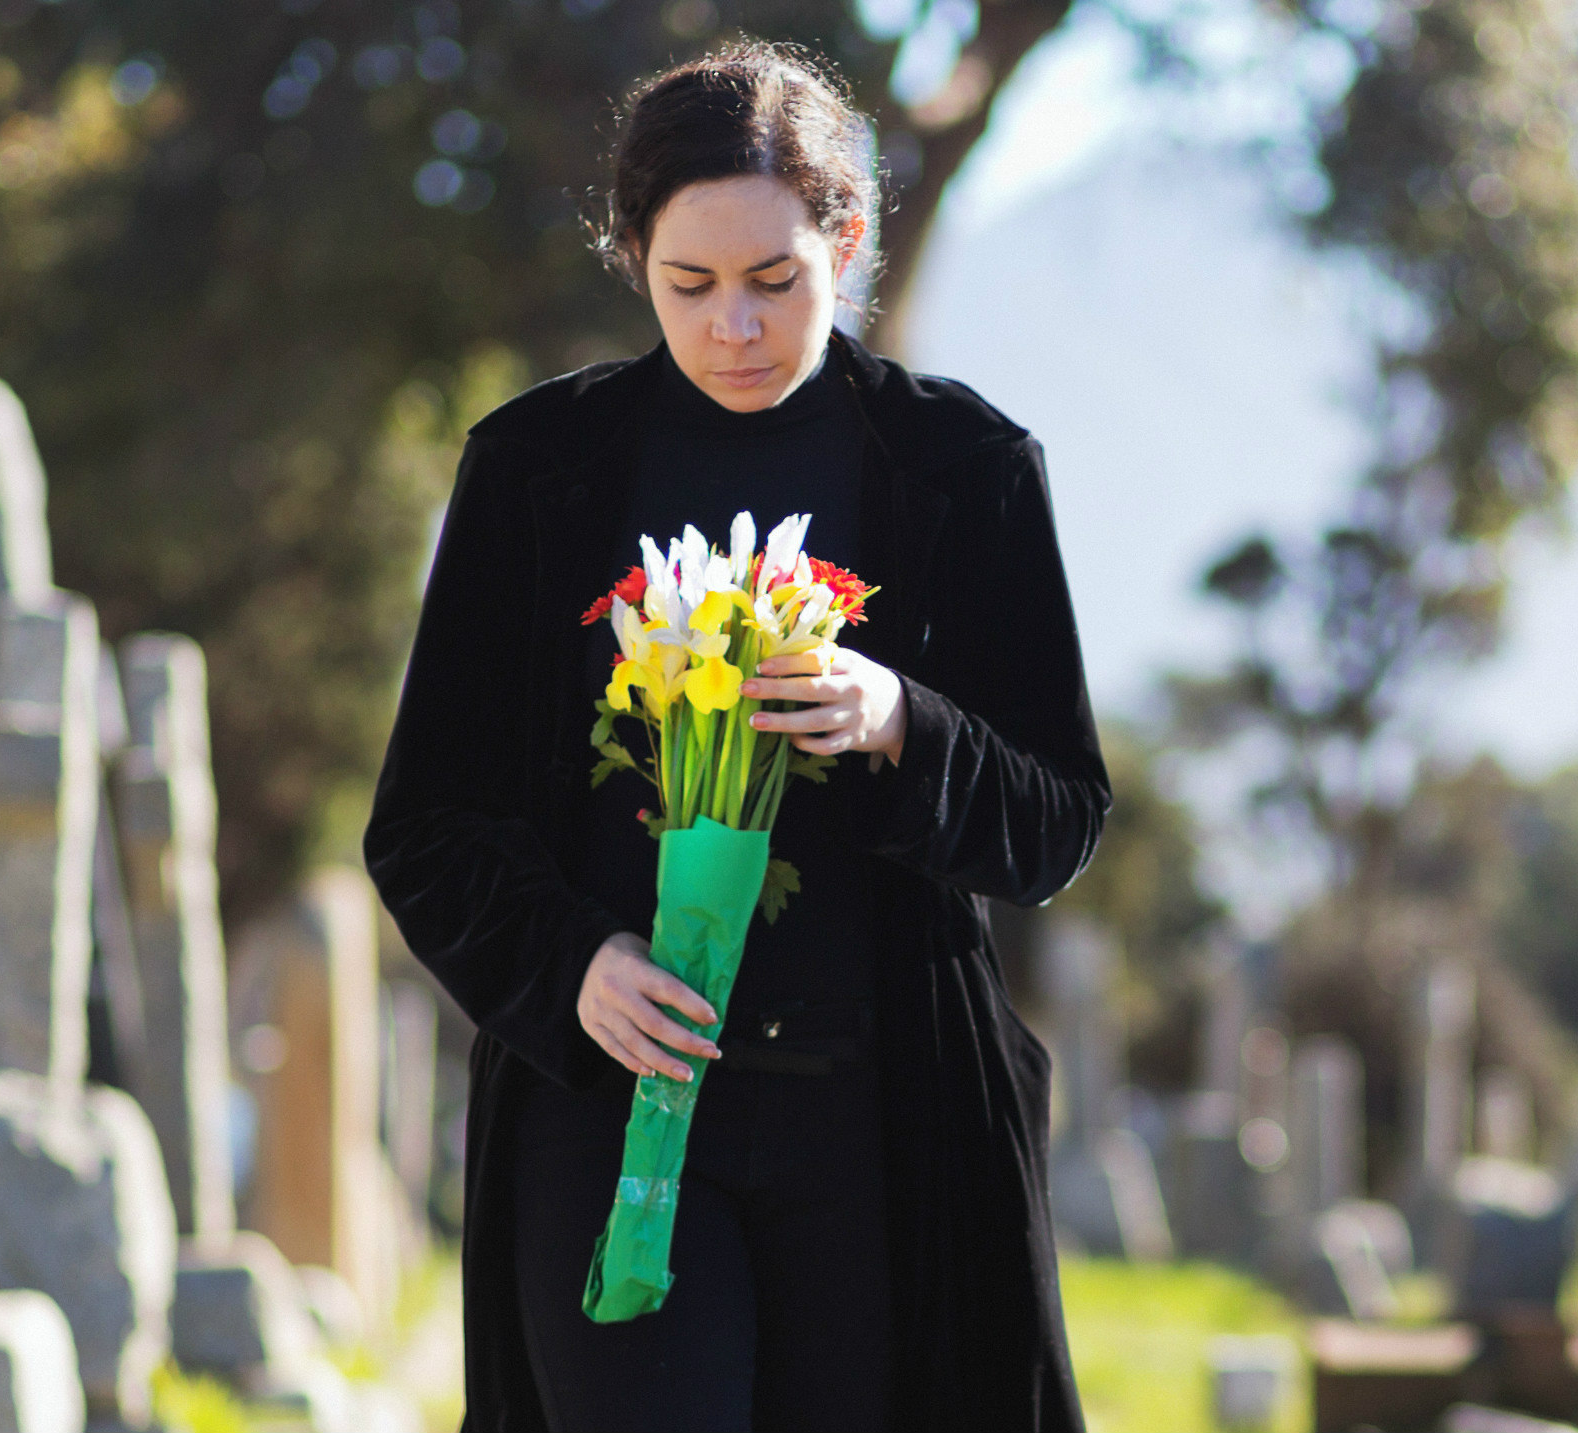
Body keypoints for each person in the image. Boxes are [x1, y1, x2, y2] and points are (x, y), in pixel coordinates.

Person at [364, 39, 1108, 1433]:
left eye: (776, 281)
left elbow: (1058, 815)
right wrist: (572, 964)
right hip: (607, 1113)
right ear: (631, 254)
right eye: (687, 285)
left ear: (849, 236)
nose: (735, 330)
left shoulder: (969, 470)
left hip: (885, 1135)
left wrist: (904, 723)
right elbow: (424, 825)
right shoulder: (534, 469)